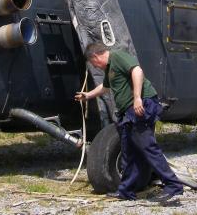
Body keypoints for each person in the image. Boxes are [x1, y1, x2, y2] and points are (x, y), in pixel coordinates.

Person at [74, 43, 184, 201]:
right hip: (128, 113)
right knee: (129, 151)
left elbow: (137, 71)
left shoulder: (117, 56)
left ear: (95, 57)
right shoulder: (110, 69)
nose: (95, 67)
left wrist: (138, 98)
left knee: (147, 147)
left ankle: (173, 185)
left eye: (93, 63)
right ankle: (126, 190)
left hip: (140, 107)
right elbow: (105, 87)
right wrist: (87, 95)